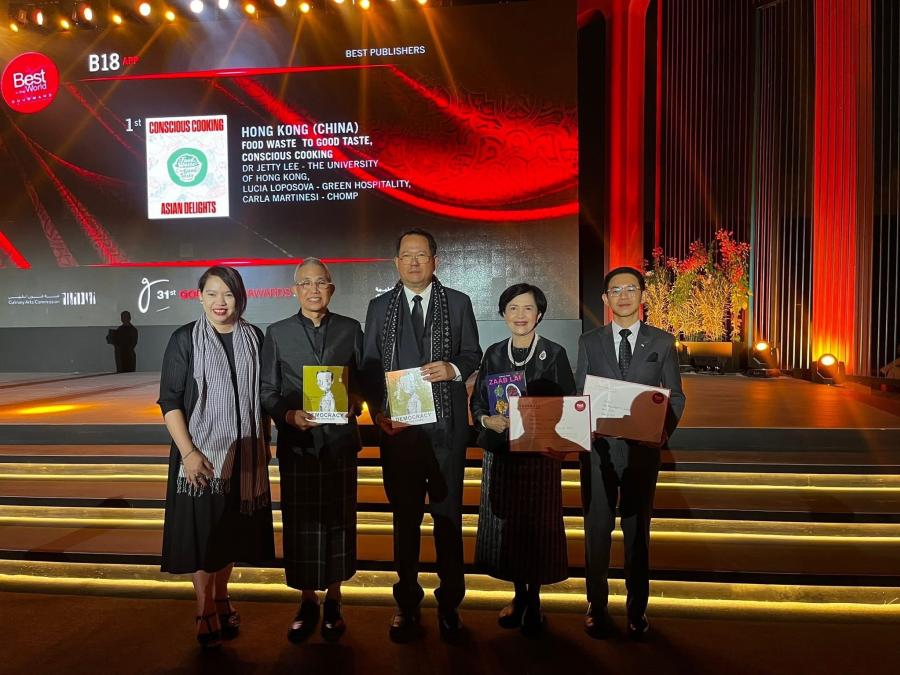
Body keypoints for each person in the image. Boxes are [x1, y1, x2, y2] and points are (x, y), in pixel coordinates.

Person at [362, 228, 482, 642]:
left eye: (421, 255)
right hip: (399, 432)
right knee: (406, 519)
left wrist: (453, 369)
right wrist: (378, 412)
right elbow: (369, 365)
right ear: (396, 262)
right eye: (406, 255)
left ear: (435, 260)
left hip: (447, 430)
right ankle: (407, 602)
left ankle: (450, 603)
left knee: (448, 519)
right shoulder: (379, 307)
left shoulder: (458, 302)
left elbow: (472, 353)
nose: (414, 262)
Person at [157, 266, 274, 650]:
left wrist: (265, 440)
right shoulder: (184, 340)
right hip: (202, 456)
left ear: (240, 297)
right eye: (211, 294)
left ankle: (222, 596)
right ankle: (204, 607)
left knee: (231, 534)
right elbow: (170, 400)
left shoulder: (254, 337)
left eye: (227, 294)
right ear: (200, 297)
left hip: (245, 455)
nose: (219, 302)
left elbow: (262, 396)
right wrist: (188, 453)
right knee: (203, 536)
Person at [575, 266, 685, 640]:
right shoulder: (589, 341)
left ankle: (637, 609)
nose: (623, 296)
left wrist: (661, 432)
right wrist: (581, 424)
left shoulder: (662, 342)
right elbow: (580, 394)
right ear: (605, 299)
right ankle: (596, 606)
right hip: (599, 451)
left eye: (630, 289)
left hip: (642, 452)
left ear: (642, 295)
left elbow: (676, 395)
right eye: (616, 290)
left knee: (638, 533)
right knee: (597, 531)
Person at [260, 258, 364, 643]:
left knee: (340, 520)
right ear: (295, 290)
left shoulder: (351, 329)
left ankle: (334, 598)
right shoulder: (277, 333)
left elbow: (363, 381)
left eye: (320, 282)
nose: (313, 289)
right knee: (301, 523)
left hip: (339, 443)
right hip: (299, 445)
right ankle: (306, 600)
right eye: (306, 283)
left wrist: (355, 403)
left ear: (331, 288)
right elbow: (266, 390)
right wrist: (288, 416)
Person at [470, 283, 576, 636]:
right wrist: (487, 420)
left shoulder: (554, 353)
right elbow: (478, 401)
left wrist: (554, 434)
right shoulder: (493, 353)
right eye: (513, 308)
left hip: (539, 458)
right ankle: (518, 595)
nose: (520, 315)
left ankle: (535, 599)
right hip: (503, 454)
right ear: (503, 314)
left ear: (539, 314)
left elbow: (568, 402)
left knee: (538, 528)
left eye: (528, 308)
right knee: (507, 526)